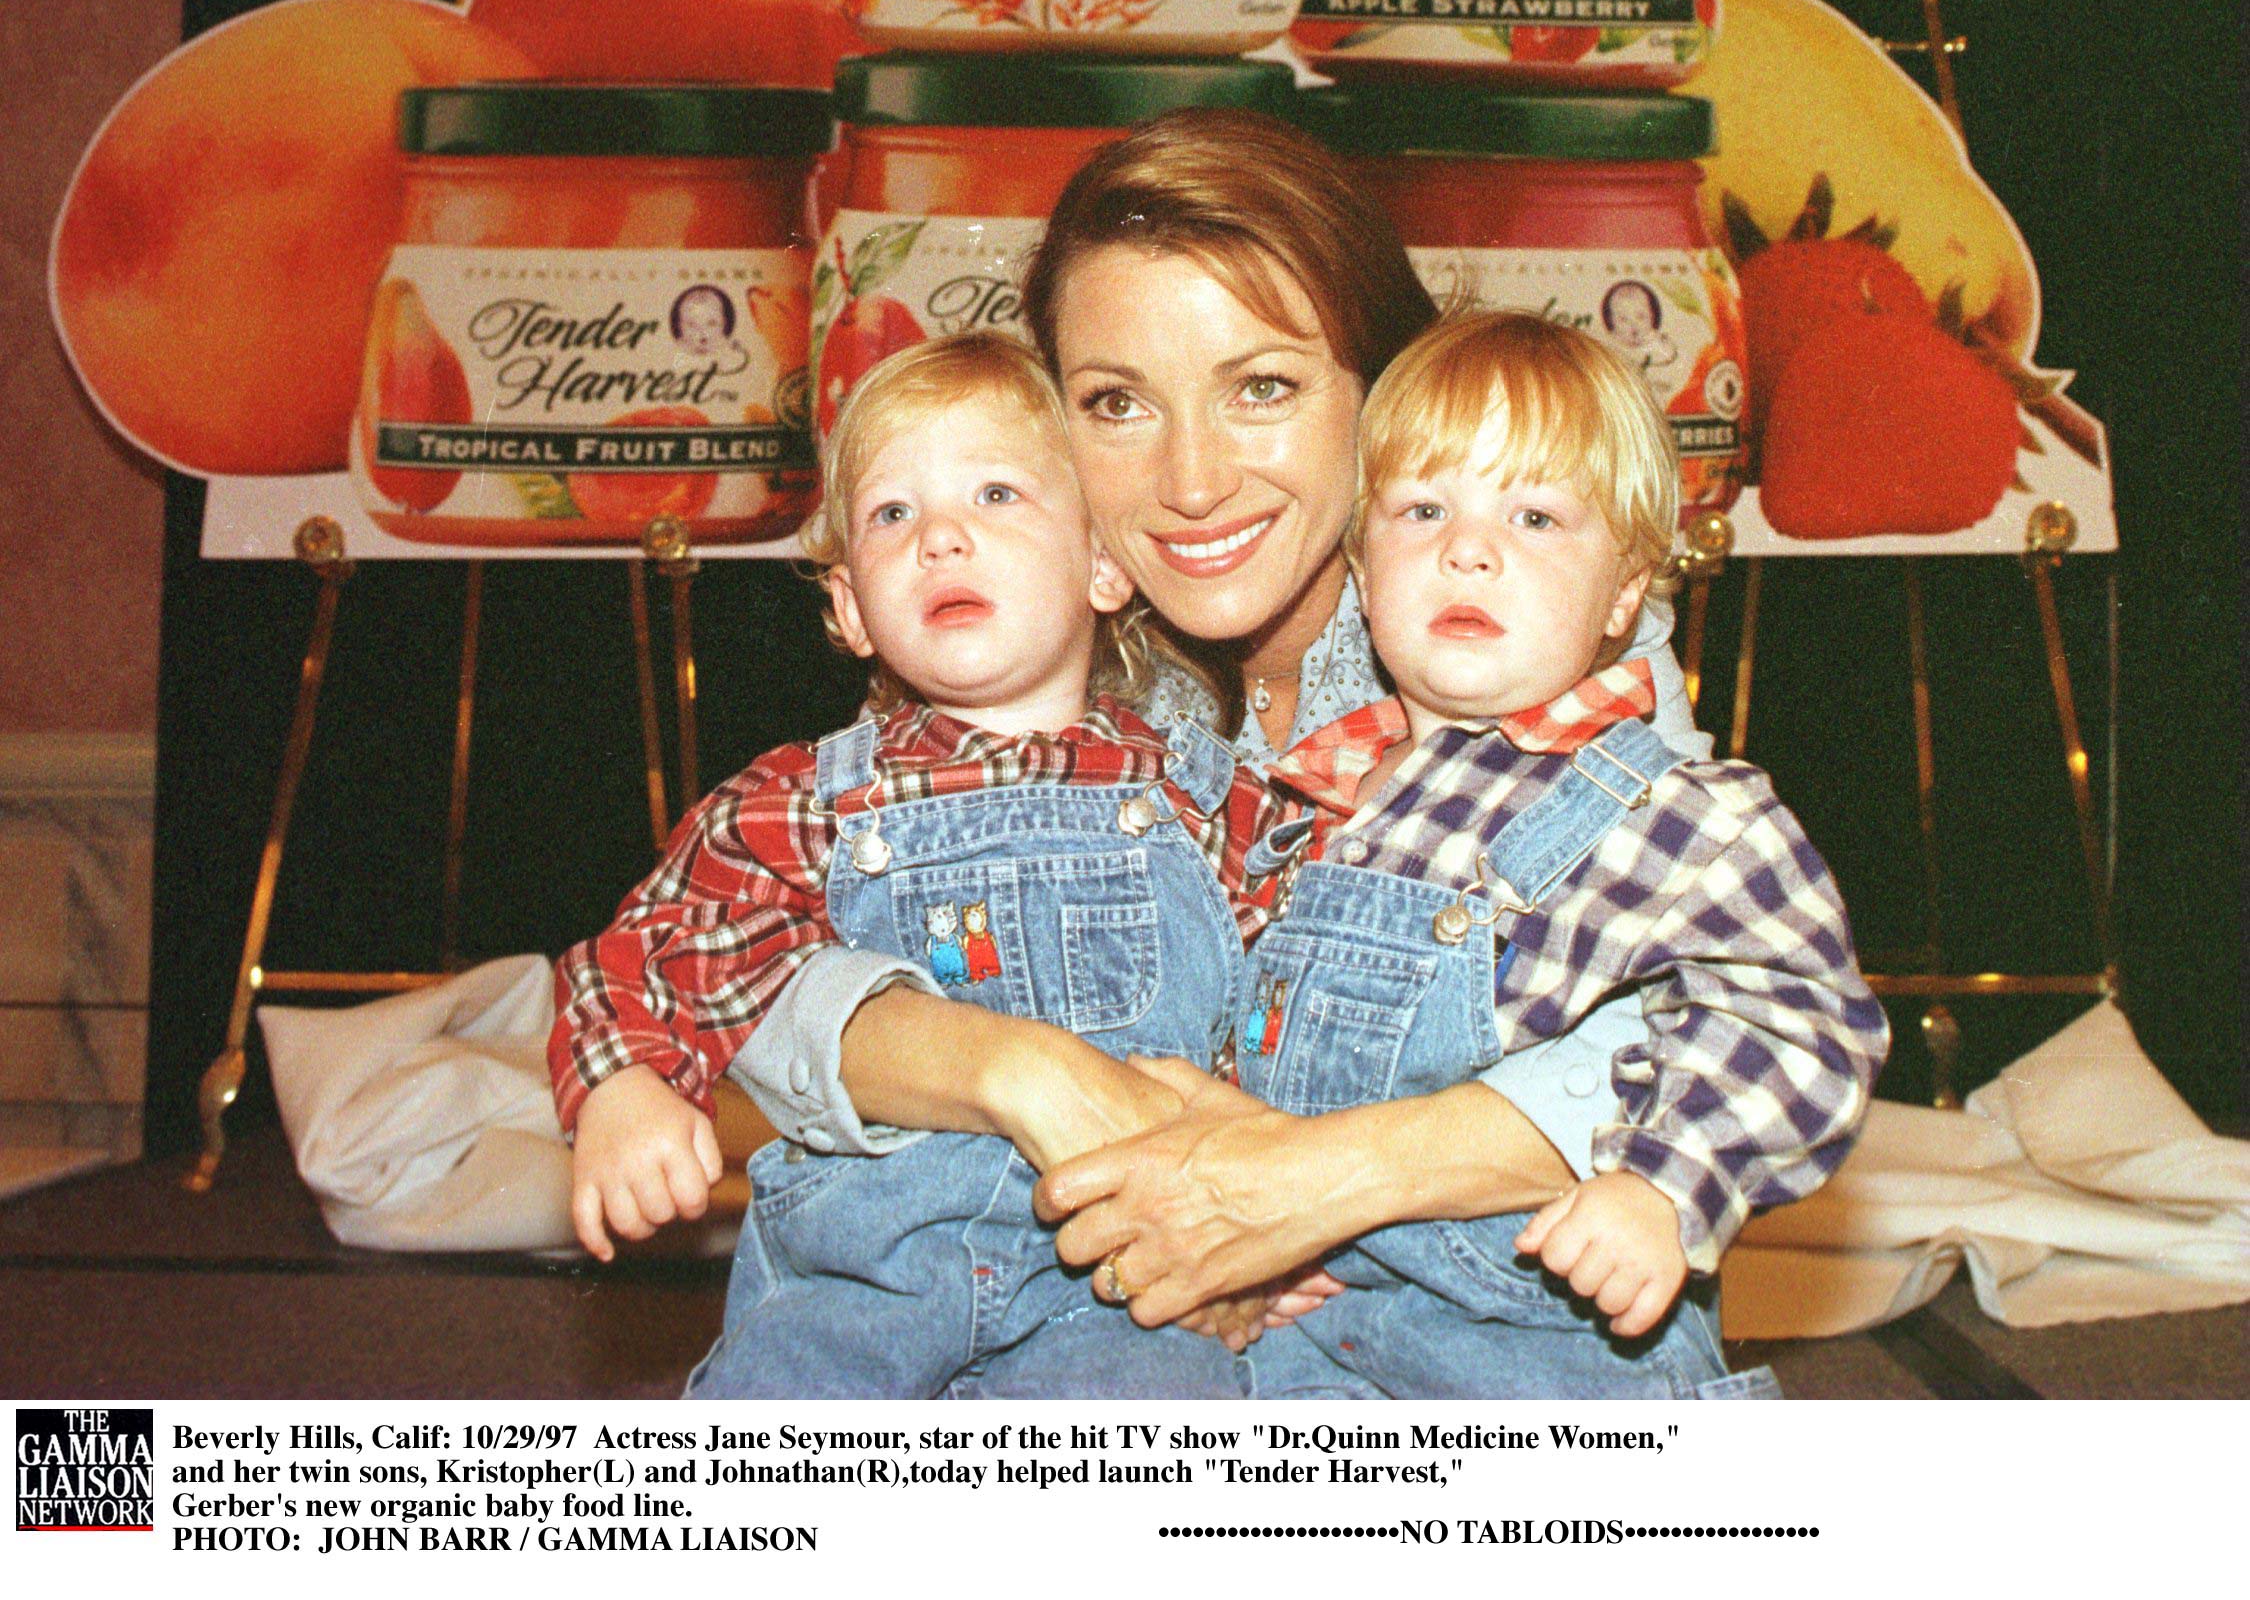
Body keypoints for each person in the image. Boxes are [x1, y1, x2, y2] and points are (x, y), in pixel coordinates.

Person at [731, 112, 1729, 1360]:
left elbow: (1701, 1030)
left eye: (1262, 388)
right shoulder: (1026, 647)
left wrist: (1299, 1185)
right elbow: (752, 977)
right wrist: (1029, 1078)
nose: (1191, 481)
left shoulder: (1535, 634)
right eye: (1115, 404)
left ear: (1382, 390)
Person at [1052, 311, 1887, 1398]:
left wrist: (1667, 1185)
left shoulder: (1668, 807)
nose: (1469, 547)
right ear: (1361, 566)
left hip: (1542, 1354)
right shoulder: (1310, 801)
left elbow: (1803, 1018)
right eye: (1423, 509)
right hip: (1308, 1348)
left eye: (1536, 516)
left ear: (1626, 592)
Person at [551, 334, 1291, 1396]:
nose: (942, 538)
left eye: (996, 495)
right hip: (852, 1300)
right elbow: (651, 955)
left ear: (1102, 566)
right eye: (893, 515)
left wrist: (1282, 1202)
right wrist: (626, 1087)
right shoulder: (804, 799)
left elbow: (1302, 1010)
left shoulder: (1209, 799)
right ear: (851, 608)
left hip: (1123, 1304)